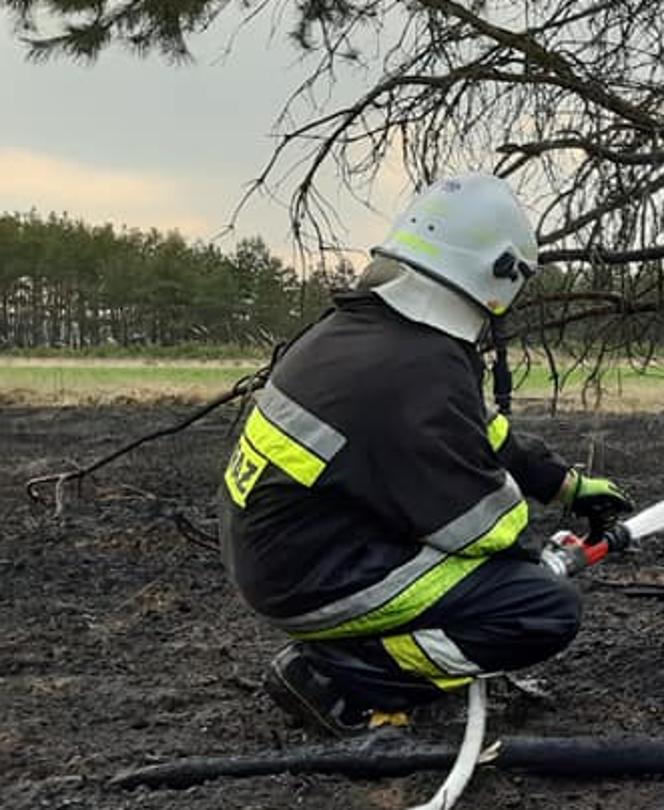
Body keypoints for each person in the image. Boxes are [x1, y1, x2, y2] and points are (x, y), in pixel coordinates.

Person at [218, 173, 632, 735]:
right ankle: (344, 676)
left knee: (507, 579)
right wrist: (546, 561)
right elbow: (483, 527)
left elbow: (480, 432)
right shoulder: (417, 367)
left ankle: (369, 654)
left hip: (294, 558)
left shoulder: (374, 333)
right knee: (541, 609)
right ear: (501, 274)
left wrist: (564, 485)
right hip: (320, 577)